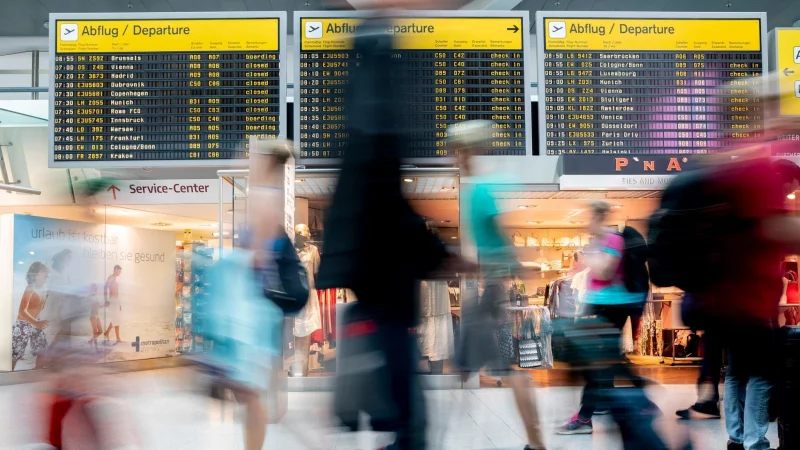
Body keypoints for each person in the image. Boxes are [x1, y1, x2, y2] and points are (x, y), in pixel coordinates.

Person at [316, 15, 450, 450]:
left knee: (396, 380)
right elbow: (388, 208)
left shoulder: (363, 135)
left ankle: (398, 431)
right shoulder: (376, 140)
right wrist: (436, 252)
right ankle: (402, 434)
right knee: (400, 384)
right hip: (383, 277)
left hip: (371, 272)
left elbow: (383, 205)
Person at [450, 120, 546, 450]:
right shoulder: (482, 186)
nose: (455, 157)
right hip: (491, 287)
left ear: (468, 151)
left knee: (490, 366)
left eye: (458, 150)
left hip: (491, 290)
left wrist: (513, 267)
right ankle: (535, 441)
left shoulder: (478, 190)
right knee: (498, 367)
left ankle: (536, 441)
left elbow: (499, 232)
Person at [558, 200, 655, 435]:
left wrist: (586, 256)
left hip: (612, 306)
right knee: (608, 360)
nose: (586, 224)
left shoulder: (612, 239)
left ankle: (584, 418)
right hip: (598, 305)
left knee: (598, 362)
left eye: (589, 218)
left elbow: (605, 271)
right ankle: (644, 401)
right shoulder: (599, 242)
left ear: (598, 218)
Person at [12, 261, 50, 371]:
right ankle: (6, 375)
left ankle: (37, 372)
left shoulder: (43, 289)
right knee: (15, 353)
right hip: (23, 324)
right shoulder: (30, 287)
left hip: (35, 322)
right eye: (44, 274)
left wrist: (39, 321)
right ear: (35, 275)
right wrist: (37, 323)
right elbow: (22, 311)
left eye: (47, 275)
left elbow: (38, 308)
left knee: (41, 348)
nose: (47, 276)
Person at [103, 265, 123, 344]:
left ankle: (107, 332)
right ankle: (118, 338)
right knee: (116, 319)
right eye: (119, 271)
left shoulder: (115, 279)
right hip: (112, 300)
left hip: (116, 301)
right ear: (115, 270)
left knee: (116, 318)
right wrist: (105, 300)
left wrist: (119, 303)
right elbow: (105, 287)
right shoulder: (111, 277)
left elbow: (116, 292)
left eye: (120, 271)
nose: (120, 272)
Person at [87, 284, 103, 350]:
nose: (95, 290)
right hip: (92, 316)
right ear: (91, 289)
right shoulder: (89, 297)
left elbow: (98, 306)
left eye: (96, 289)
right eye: (94, 288)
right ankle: (96, 348)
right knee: (95, 332)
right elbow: (92, 305)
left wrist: (105, 305)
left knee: (101, 331)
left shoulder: (96, 296)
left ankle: (91, 341)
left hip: (97, 315)